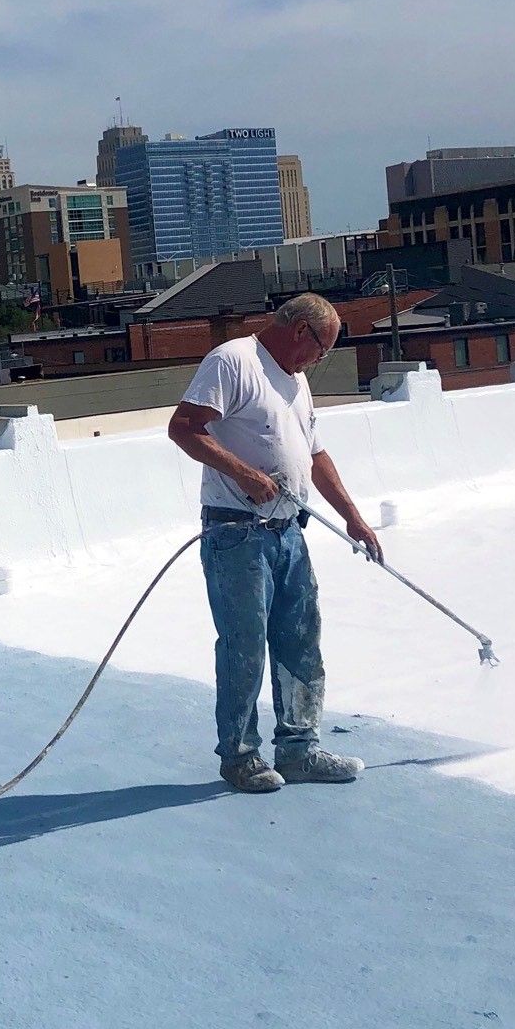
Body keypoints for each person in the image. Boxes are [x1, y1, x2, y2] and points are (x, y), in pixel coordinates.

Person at [167, 294, 382, 795]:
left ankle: (299, 749)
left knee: (300, 639)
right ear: (301, 330)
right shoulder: (233, 361)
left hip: (289, 534)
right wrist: (245, 475)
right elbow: (183, 428)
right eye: (322, 349)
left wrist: (352, 516)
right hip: (237, 534)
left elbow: (314, 454)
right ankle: (240, 756)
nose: (320, 359)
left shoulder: (296, 380)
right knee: (244, 646)